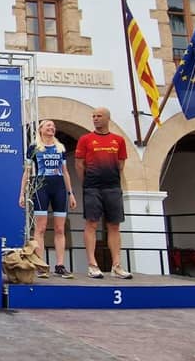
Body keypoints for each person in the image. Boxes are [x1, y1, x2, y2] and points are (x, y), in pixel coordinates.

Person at [75, 107, 132, 279]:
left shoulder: (119, 140)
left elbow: (121, 164)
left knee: (114, 225)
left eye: (99, 116)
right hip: (92, 187)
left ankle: (116, 266)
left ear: (108, 118)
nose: (95, 119)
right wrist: (86, 183)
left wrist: (115, 180)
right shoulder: (85, 139)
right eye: (93, 116)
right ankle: (92, 265)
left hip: (113, 187)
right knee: (91, 224)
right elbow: (79, 164)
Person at [19, 120, 77, 279]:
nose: (51, 127)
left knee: (60, 229)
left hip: (59, 187)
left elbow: (65, 172)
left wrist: (70, 193)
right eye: (48, 125)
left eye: (53, 126)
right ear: (40, 129)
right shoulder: (33, 148)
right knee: (40, 228)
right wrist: (22, 193)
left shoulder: (60, 148)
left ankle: (60, 265)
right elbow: (27, 172)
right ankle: (41, 266)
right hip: (41, 187)